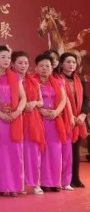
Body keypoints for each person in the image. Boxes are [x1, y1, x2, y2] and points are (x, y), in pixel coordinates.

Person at [0, 46, 26, 197]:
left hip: (15, 119)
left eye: (8, 57)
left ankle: (14, 186)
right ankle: (0, 186)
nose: (6, 60)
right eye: (3, 57)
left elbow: (23, 98)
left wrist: (18, 111)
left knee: (14, 153)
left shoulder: (16, 77)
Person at [12, 51, 45, 195]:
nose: (23, 65)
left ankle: (35, 183)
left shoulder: (34, 81)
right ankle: (18, 183)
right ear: (13, 64)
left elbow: (41, 101)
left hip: (32, 119)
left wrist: (34, 103)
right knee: (17, 152)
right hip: (16, 118)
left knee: (33, 151)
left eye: (26, 63)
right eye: (20, 63)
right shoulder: (9, 80)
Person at [35, 54, 69, 192]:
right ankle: (43, 182)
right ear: (36, 68)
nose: (44, 68)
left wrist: (56, 112)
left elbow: (63, 100)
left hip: (55, 120)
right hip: (39, 119)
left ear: (52, 67)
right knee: (41, 151)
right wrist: (41, 110)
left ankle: (55, 182)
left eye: (47, 66)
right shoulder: (33, 82)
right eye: (41, 66)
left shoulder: (58, 82)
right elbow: (31, 100)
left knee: (55, 150)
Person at [57, 52, 87, 189]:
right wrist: (69, 116)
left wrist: (83, 115)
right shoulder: (57, 79)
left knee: (75, 151)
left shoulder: (79, 79)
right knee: (63, 151)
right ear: (61, 64)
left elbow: (86, 99)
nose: (71, 64)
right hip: (63, 119)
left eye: (73, 62)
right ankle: (61, 179)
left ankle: (75, 178)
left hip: (78, 121)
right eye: (68, 62)